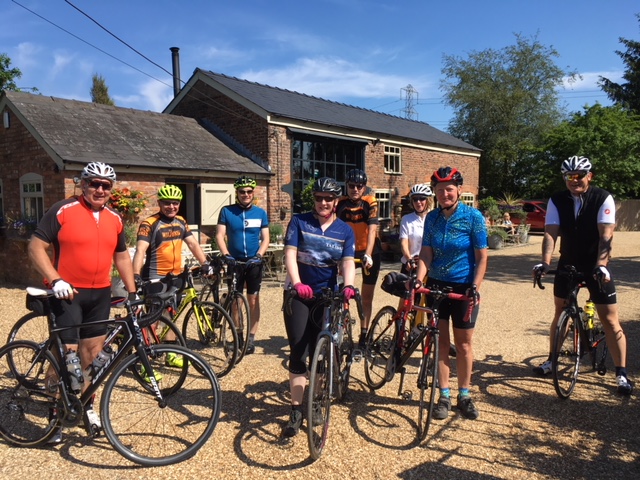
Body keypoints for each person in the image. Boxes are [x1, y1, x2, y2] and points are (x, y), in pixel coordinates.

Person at [28, 162, 138, 441]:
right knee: (65, 357)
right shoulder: (63, 210)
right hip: (67, 294)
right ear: (83, 183)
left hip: (99, 294)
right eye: (94, 183)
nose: (99, 189)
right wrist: (55, 280)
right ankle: (55, 412)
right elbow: (35, 246)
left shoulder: (114, 218)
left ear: (111, 189)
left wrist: (132, 291)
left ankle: (85, 405)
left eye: (106, 185)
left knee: (92, 358)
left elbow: (122, 256)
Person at [532, 155, 633, 395]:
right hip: (569, 262)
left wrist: (602, 265)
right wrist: (545, 262)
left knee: (609, 318)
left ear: (589, 176)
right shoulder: (557, 200)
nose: (574, 180)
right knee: (561, 312)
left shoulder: (602, 197)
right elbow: (550, 234)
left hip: (595, 263)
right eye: (569, 176)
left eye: (579, 176)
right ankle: (552, 360)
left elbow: (606, 235)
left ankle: (621, 373)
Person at [281, 177, 356, 437]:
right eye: (318, 198)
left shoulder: (345, 230)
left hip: (327, 296)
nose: (323, 203)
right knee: (299, 351)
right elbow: (290, 253)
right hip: (300, 294)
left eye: (328, 199)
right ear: (313, 199)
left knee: (320, 354)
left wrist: (348, 286)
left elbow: (347, 262)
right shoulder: (299, 221)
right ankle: (296, 408)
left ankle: (315, 401)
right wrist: (298, 282)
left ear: (336, 202)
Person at [414, 166, 488, 420]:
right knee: (441, 342)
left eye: (449, 189)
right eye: (440, 190)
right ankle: (444, 394)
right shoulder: (432, 218)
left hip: (463, 287)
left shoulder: (473, 217)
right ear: (434, 193)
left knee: (464, 344)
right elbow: (426, 253)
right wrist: (418, 278)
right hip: (435, 285)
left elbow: (482, 257)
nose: (444, 193)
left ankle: (464, 394)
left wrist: (475, 286)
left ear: (458, 190)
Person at [132, 184, 212, 367]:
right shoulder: (149, 224)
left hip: (176, 277)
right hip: (154, 278)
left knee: (172, 315)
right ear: (159, 203)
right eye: (167, 203)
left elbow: (193, 245)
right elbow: (140, 251)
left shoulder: (181, 222)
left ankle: (170, 353)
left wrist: (205, 264)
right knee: (152, 318)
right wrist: (136, 275)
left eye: (175, 203)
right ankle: (146, 355)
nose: (171, 207)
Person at [216, 175, 270, 354]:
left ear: (253, 193)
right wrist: (226, 255)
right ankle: (239, 336)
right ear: (237, 193)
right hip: (235, 261)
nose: (245, 194)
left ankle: (251, 337)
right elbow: (219, 235)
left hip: (254, 262)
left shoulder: (260, 213)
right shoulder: (227, 211)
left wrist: (260, 255)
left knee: (253, 300)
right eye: (242, 192)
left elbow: (266, 238)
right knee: (236, 300)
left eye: (249, 191)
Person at [335, 168, 381, 347]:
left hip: (369, 251)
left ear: (364, 188)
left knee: (367, 296)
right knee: (342, 290)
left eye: (359, 186)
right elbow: (335, 229)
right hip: (348, 250)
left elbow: (372, 230)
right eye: (352, 185)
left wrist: (368, 254)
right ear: (346, 186)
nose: (355, 189)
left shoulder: (370, 202)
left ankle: (364, 333)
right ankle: (341, 321)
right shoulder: (340, 203)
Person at [399, 184, 433, 275]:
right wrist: (408, 259)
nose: (418, 202)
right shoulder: (406, 219)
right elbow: (403, 243)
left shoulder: (434, 218)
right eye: (415, 199)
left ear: (428, 200)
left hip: (430, 266)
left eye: (422, 198)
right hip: (411, 265)